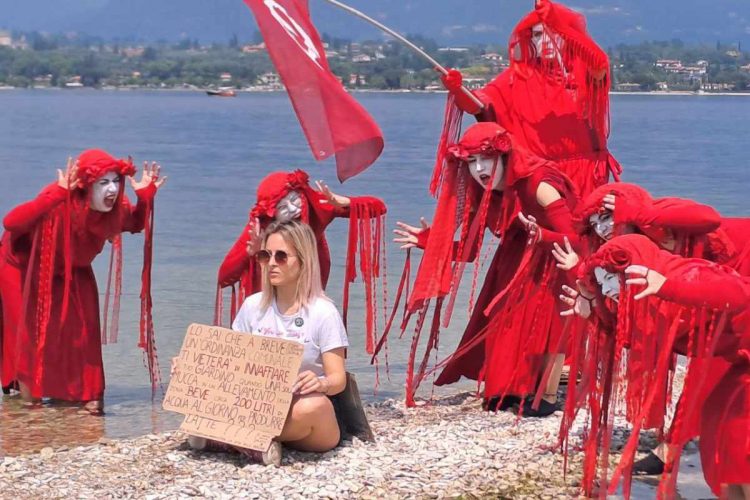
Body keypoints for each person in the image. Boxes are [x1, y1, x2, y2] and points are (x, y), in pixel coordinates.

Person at [393, 121, 578, 415]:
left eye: (486, 158)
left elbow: (577, 238)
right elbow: (469, 252)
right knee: (502, 324)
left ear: (504, 157)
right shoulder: (484, 192)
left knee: (545, 323)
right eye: (471, 161)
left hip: (554, 257)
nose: (479, 168)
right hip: (513, 259)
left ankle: (547, 397)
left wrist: (542, 236)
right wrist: (427, 242)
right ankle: (512, 390)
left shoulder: (540, 184)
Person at [563, 234, 750, 498]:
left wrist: (669, 287)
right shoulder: (643, 299)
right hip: (742, 361)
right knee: (717, 422)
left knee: (739, 434)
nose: (610, 290)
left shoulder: (685, 274)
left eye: (613, 279)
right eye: (603, 283)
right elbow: (635, 340)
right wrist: (594, 309)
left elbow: (742, 293)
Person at [0, 150, 165, 414]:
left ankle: (84, 394)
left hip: (72, 266)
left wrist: (145, 198)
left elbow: (134, 223)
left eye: (115, 181)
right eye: (103, 183)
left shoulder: (116, 209)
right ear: (84, 186)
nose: (112, 189)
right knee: (30, 332)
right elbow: (11, 222)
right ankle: (29, 402)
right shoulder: (58, 200)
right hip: (23, 267)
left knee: (84, 330)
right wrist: (55, 193)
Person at [190, 220, 348, 464]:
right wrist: (194, 368)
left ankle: (233, 440)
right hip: (257, 406)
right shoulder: (253, 306)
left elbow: (339, 379)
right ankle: (253, 442)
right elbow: (231, 364)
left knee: (316, 406)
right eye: (266, 255)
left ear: (303, 260)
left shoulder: (323, 312)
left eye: (281, 256)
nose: (271, 263)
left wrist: (320, 383)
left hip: (302, 413)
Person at [440, 0, 620, 198]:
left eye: (551, 32)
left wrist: (558, 23)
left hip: (588, 177)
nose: (544, 41)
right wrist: (458, 90)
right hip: (541, 181)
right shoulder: (517, 77)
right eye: (537, 35)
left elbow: (600, 63)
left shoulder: (585, 73)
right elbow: (480, 105)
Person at [215, 170, 386, 354]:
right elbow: (225, 276)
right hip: (270, 288)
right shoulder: (261, 224)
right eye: (282, 206)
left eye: (293, 201)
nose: (289, 208)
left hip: (312, 278)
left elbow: (379, 208)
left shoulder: (317, 205)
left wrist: (345, 202)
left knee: (311, 329)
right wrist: (254, 254)